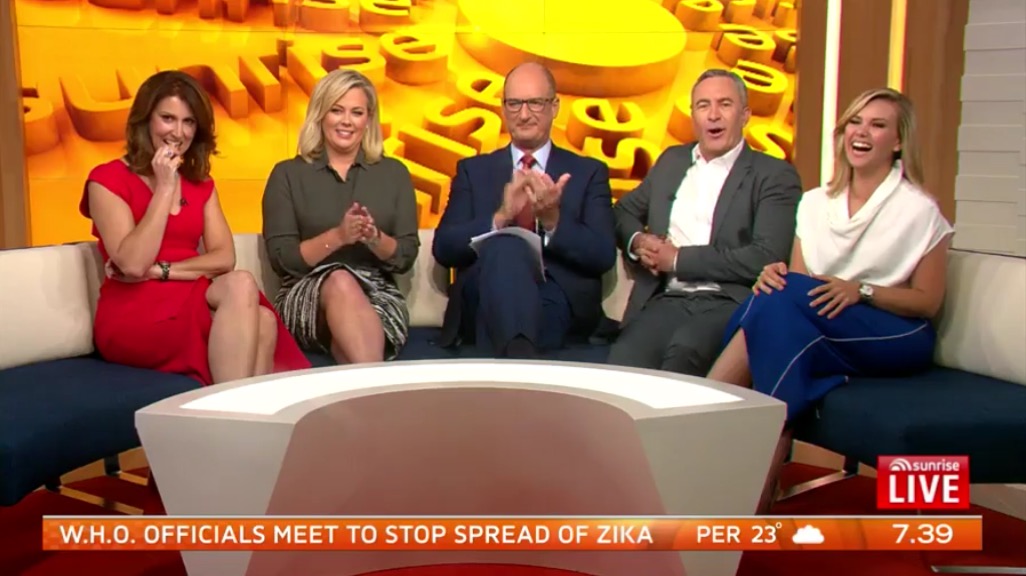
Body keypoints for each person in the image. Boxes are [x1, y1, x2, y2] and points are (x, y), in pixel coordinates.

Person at [707, 87, 954, 512]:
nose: (862, 132)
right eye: (855, 122)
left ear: (898, 141)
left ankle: (704, 420)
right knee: (778, 294)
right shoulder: (814, 203)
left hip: (894, 330)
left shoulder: (920, 210)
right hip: (823, 323)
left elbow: (927, 303)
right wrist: (774, 276)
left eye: (877, 125)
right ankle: (756, 498)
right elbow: (800, 286)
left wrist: (862, 290)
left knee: (778, 305)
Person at [80, 70, 310, 386]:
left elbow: (224, 258)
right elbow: (132, 264)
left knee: (256, 304)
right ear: (145, 120)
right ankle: (233, 409)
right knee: (258, 321)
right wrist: (164, 188)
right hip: (135, 314)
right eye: (168, 118)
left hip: (187, 295)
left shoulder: (201, 184)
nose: (178, 132)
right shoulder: (107, 180)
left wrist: (161, 270)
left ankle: (230, 409)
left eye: (188, 122)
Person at [607, 69, 802, 375]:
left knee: (684, 352)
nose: (713, 115)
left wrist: (678, 260)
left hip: (729, 299)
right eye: (703, 105)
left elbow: (766, 255)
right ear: (693, 115)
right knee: (624, 361)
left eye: (724, 104)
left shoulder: (774, 175)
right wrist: (638, 241)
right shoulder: (672, 161)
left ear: (745, 115)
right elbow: (622, 212)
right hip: (667, 297)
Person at [431, 61, 617, 358]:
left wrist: (553, 221)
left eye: (535, 103)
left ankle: (512, 359)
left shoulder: (588, 172)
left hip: (557, 295)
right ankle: (521, 360)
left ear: (555, 107)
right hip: (485, 292)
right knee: (506, 246)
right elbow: (444, 248)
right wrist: (500, 218)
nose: (524, 114)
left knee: (514, 313)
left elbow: (603, 254)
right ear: (503, 108)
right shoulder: (473, 170)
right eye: (515, 103)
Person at [262, 69, 419, 364]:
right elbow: (282, 260)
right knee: (340, 280)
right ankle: (377, 382)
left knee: (348, 339)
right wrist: (339, 237)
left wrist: (374, 238)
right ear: (320, 114)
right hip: (305, 291)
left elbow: (406, 256)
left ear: (368, 119)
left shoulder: (394, 173)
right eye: (337, 110)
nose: (347, 121)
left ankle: (365, 382)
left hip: (377, 292)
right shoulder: (287, 174)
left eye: (357, 112)